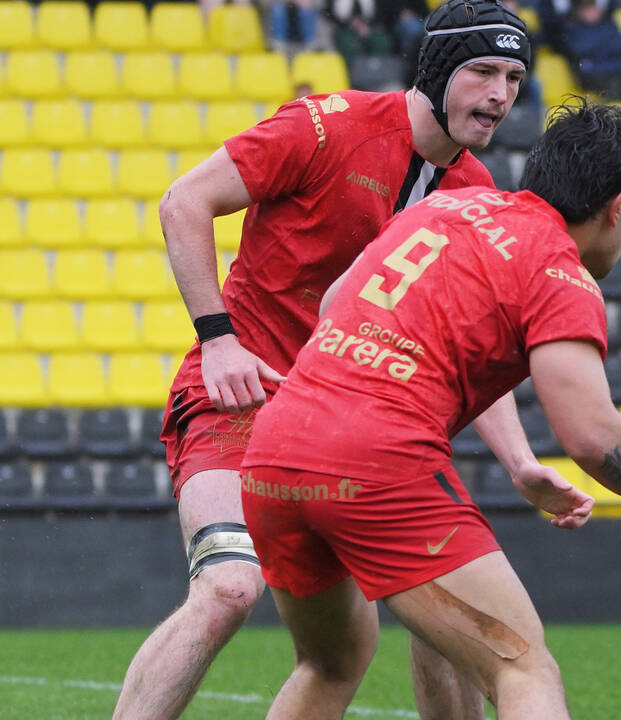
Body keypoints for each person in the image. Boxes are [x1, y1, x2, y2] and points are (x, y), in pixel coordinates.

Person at [240, 101, 621, 719]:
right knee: (522, 667)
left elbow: (337, 299)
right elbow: (591, 437)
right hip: (377, 459)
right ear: (618, 206)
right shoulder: (560, 273)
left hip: (275, 450)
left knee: (329, 664)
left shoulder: (441, 207)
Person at [121, 3, 534, 717]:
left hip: (352, 425)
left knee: (433, 615)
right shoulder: (325, 124)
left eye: (515, 77)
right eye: (483, 72)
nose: (500, 94)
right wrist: (219, 339)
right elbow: (184, 201)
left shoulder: (477, 196)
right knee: (228, 589)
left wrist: (521, 461)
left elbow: (468, 349)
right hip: (241, 395)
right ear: (435, 71)